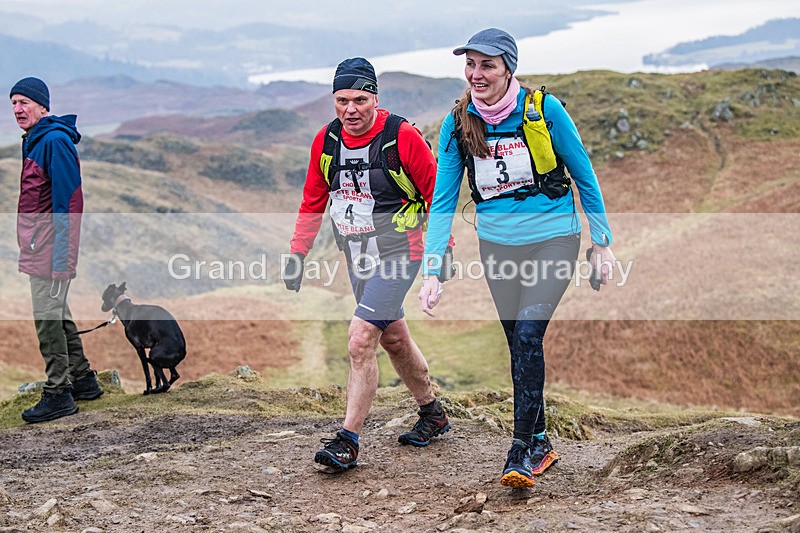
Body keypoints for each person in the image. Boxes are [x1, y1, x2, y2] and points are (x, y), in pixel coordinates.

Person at [418, 29, 616, 489]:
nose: (476, 74)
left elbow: (584, 174)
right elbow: (444, 198)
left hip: (554, 240)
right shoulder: (458, 122)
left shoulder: (544, 110)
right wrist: (432, 271)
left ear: (509, 66)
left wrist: (601, 242)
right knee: (518, 345)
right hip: (497, 247)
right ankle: (542, 440)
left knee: (528, 335)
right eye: (470, 65)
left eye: (486, 65)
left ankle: (519, 450)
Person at [283, 58, 450, 471]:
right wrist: (298, 253)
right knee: (392, 339)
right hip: (356, 254)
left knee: (360, 339)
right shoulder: (326, 140)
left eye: (360, 99)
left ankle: (347, 441)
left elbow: (438, 197)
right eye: (342, 100)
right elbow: (312, 200)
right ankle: (433, 413)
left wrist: (438, 258)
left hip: (399, 253)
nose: (350, 109)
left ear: (375, 97)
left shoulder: (402, 137)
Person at [10, 77, 104, 424]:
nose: (18, 109)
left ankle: (58, 394)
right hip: (42, 246)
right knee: (58, 313)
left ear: (43, 106)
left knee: (47, 320)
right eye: (13, 103)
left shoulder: (53, 142)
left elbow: (69, 203)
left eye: (24, 102)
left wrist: (63, 258)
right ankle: (83, 381)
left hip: (51, 250)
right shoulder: (37, 140)